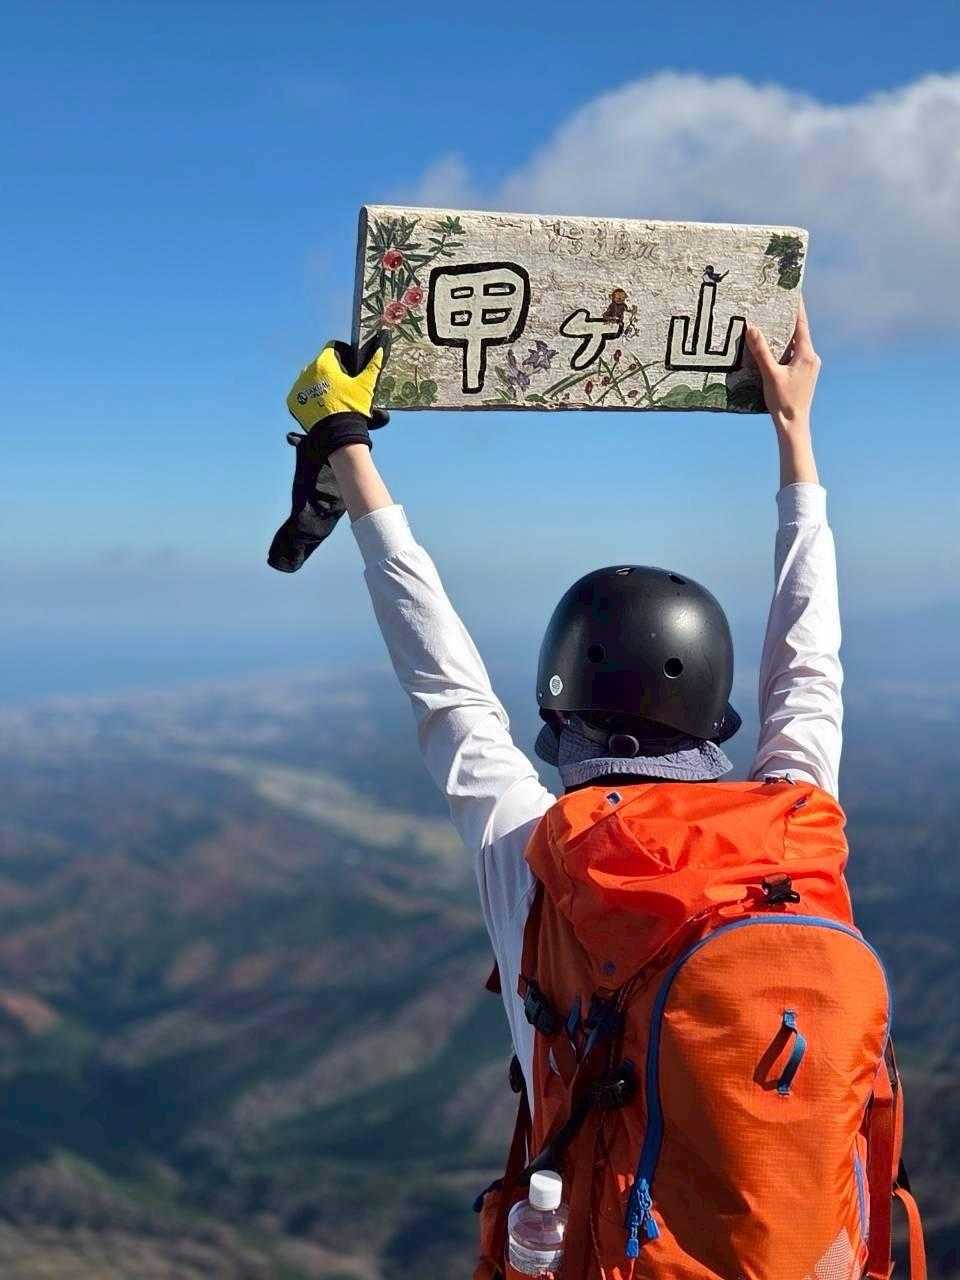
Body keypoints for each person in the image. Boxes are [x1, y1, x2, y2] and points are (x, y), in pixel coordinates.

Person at [272, 298, 838, 1105]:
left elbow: (444, 680)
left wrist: (342, 439)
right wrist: (794, 427)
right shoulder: (794, 833)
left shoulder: (540, 860)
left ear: (561, 703)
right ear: (712, 709)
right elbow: (808, 669)